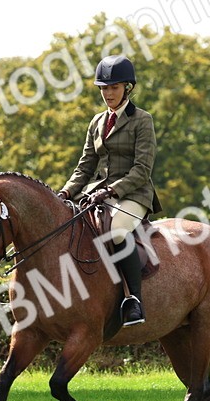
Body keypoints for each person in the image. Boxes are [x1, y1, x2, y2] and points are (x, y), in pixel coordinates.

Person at [58, 54, 162, 327]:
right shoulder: (96, 122)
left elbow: (142, 169)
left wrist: (113, 190)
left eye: (113, 88)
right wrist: (66, 193)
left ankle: (134, 300)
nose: (108, 93)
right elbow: (85, 166)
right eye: (104, 88)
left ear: (127, 88)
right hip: (95, 192)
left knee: (117, 230)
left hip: (134, 194)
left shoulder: (142, 120)